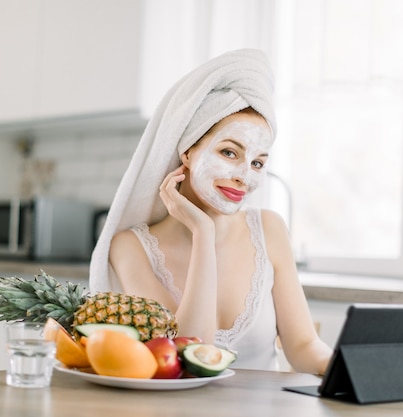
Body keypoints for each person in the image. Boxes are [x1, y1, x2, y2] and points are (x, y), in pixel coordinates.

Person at [89, 49, 332, 374]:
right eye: (230, 152)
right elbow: (189, 353)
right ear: (188, 152)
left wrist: (347, 368)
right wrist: (203, 233)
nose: (244, 176)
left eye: (258, 162)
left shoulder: (270, 229)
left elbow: (302, 346)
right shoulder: (130, 247)